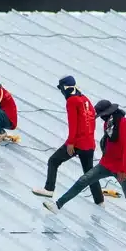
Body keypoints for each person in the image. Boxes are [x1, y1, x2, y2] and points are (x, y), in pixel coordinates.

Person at [42, 100, 126, 234]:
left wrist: (125, 170)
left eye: (102, 115)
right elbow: (108, 143)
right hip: (106, 163)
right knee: (83, 180)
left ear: (109, 112)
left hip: (120, 168)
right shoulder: (108, 123)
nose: (101, 118)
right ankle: (58, 205)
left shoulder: (124, 123)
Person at [32, 76, 104, 205]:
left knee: (53, 161)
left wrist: (71, 143)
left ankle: (49, 189)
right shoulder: (84, 98)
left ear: (64, 88)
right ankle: (99, 201)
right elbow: (91, 118)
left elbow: (73, 124)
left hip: (77, 143)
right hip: (89, 144)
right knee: (89, 175)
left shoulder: (71, 101)